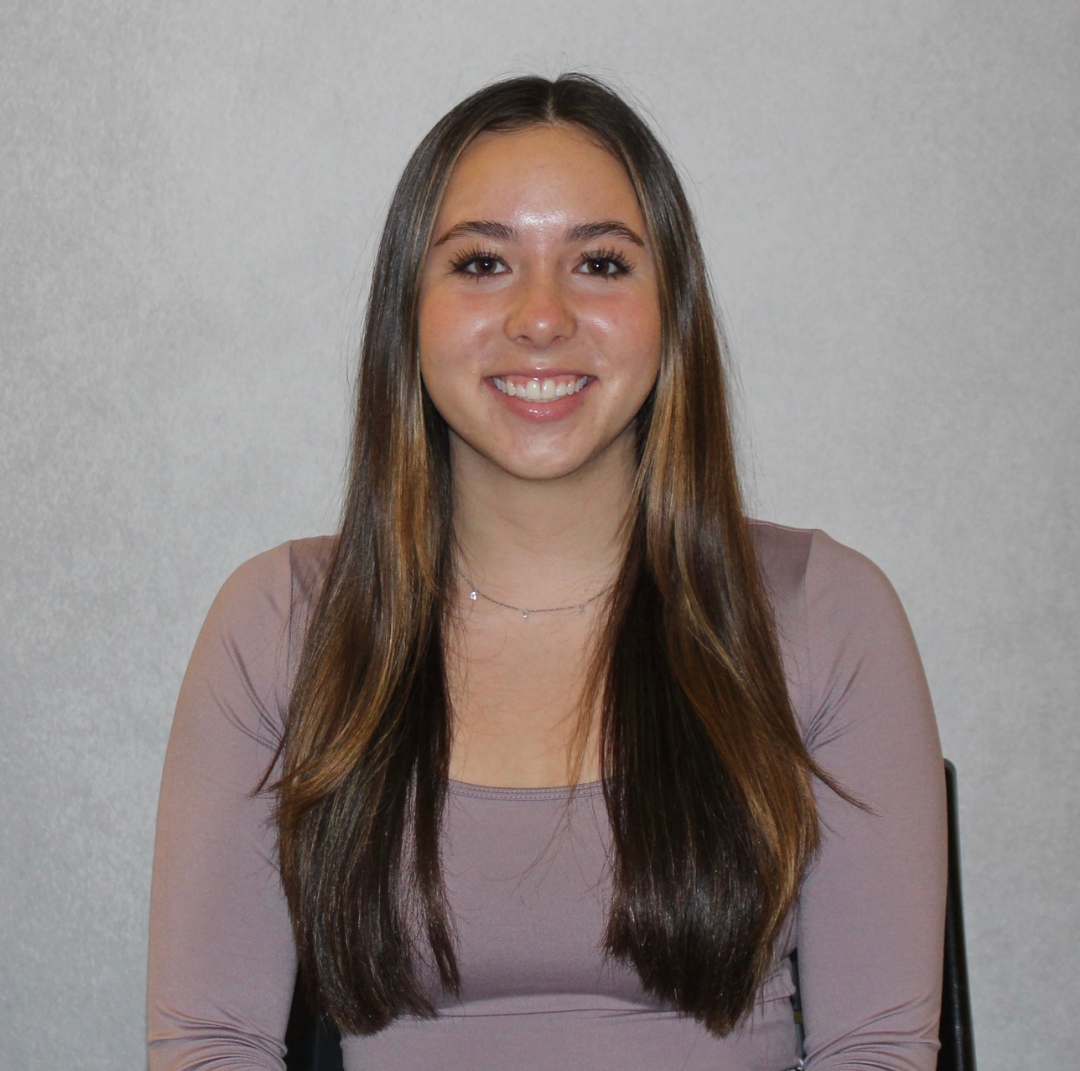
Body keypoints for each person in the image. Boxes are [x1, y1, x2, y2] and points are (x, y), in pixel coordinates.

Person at [147, 74, 947, 1071]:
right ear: (410, 313)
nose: (539, 316)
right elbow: (210, 1043)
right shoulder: (281, 625)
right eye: (482, 262)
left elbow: (878, 1049)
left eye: (601, 263)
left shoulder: (829, 616)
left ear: (672, 312)